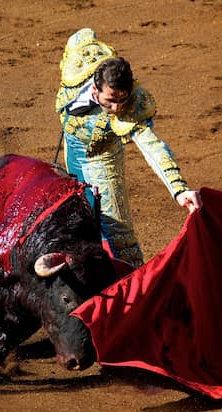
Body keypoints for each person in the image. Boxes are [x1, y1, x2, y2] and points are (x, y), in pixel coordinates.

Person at [55, 28, 202, 267]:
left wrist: (179, 189)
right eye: (110, 101)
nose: (116, 108)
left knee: (117, 233)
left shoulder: (130, 107)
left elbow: (152, 146)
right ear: (95, 89)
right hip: (73, 154)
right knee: (77, 221)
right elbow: (82, 36)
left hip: (102, 163)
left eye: (122, 100)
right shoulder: (79, 64)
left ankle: (136, 287)